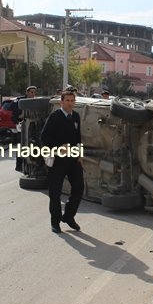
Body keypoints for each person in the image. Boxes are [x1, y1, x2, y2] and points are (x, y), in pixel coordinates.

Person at [40, 90, 84, 233]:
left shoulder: (76, 116)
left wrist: (80, 154)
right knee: (55, 193)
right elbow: (44, 137)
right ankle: (55, 222)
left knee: (79, 188)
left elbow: (78, 139)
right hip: (58, 160)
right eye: (67, 100)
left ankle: (69, 216)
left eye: (72, 100)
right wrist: (59, 147)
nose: (70, 103)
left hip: (73, 160)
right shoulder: (55, 117)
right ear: (62, 102)